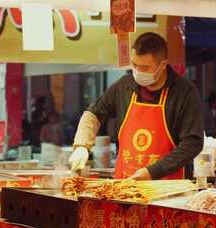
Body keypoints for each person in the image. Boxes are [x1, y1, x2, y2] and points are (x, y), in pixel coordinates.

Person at [69, 32, 204, 180]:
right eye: (134, 65)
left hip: (167, 190)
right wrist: (82, 145)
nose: (138, 71)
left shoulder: (185, 92)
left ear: (163, 65)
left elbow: (192, 143)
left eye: (145, 68)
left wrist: (153, 171)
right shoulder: (123, 86)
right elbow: (94, 113)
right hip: (125, 186)